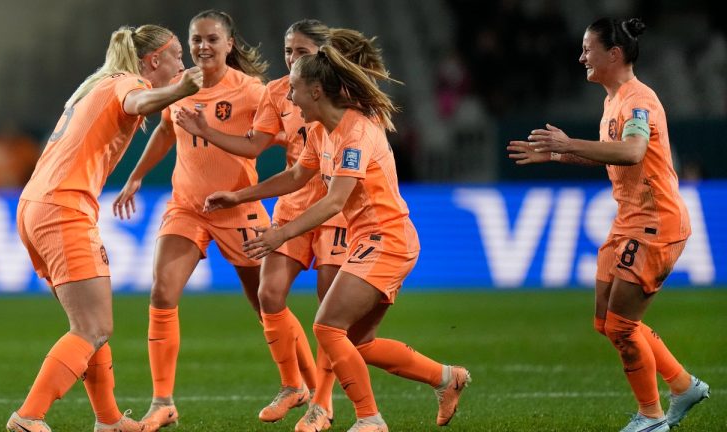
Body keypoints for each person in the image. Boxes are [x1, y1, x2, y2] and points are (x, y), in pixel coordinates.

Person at [202, 46, 471, 432]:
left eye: (294, 89)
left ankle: (369, 419)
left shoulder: (356, 133)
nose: (289, 97)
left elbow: (334, 201)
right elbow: (296, 177)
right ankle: (447, 378)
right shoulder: (317, 131)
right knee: (359, 341)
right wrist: (239, 195)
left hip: (388, 239)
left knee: (327, 326)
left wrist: (281, 233)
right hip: (370, 239)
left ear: (315, 92)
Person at [175, 21, 392, 430]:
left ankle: (323, 405)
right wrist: (208, 135)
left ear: (322, 59)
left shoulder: (343, 102)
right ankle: (293, 385)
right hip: (295, 206)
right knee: (269, 293)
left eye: (300, 51)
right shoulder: (279, 91)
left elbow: (346, 172)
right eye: (288, 50)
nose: (291, 58)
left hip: (335, 211)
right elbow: (264, 150)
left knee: (330, 315)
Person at [507, 17, 710, 432]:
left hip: (655, 223)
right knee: (606, 320)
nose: (581, 56)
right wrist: (561, 155)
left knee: (621, 325)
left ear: (613, 54)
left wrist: (568, 143)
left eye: (588, 48)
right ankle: (683, 385)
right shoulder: (613, 99)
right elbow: (614, 152)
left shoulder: (639, 100)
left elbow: (633, 152)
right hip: (628, 221)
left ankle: (652, 419)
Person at [7, 25, 202, 432]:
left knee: (89, 326)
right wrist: (179, 90)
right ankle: (29, 417)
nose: (182, 63)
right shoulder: (127, 82)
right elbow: (139, 101)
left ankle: (109, 421)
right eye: (177, 55)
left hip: (36, 205)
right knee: (94, 328)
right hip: (63, 207)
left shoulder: (97, 85)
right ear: (153, 61)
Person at [110, 10, 271, 430]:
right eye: (196, 39)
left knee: (267, 305)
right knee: (162, 292)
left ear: (229, 44)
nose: (202, 47)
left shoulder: (252, 91)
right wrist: (136, 176)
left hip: (236, 207)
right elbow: (165, 131)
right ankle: (162, 401)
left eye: (211, 39)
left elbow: (266, 142)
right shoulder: (181, 86)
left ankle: (302, 388)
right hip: (187, 206)